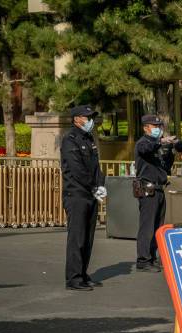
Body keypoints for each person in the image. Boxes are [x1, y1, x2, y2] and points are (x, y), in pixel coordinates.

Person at [60, 105, 105, 291]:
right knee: (77, 238)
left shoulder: (89, 138)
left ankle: (83, 273)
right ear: (77, 119)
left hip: (90, 194)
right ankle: (74, 278)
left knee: (88, 238)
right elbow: (77, 169)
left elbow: (96, 166)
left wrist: (101, 183)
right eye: (87, 117)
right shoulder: (70, 140)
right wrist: (93, 185)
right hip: (76, 194)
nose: (90, 121)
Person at [134, 114, 176, 272]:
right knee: (147, 226)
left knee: (158, 225)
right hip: (147, 189)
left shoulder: (157, 145)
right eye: (154, 126)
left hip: (159, 188)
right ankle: (143, 260)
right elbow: (146, 149)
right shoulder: (143, 143)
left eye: (159, 127)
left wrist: (170, 149)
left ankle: (152, 256)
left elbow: (164, 166)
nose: (158, 129)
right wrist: (160, 142)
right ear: (146, 128)